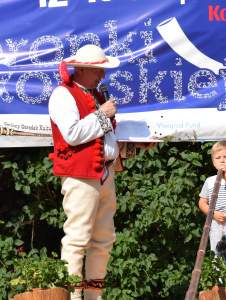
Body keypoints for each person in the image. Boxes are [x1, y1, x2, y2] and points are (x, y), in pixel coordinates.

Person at [48, 44, 121, 300]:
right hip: (80, 176)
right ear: (80, 69)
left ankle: (93, 297)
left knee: (103, 239)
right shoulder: (63, 94)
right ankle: (72, 296)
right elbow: (73, 134)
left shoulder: (96, 95)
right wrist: (103, 116)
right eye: (97, 71)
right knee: (78, 238)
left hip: (104, 175)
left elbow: (102, 139)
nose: (102, 76)